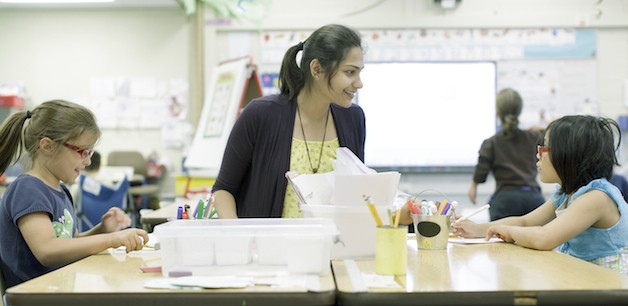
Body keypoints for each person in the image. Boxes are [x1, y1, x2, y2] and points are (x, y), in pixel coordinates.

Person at [212, 24, 366, 218]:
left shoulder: (353, 118)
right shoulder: (260, 114)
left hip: (333, 247)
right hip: (267, 246)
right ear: (316, 69)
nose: (359, 83)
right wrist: (239, 238)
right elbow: (223, 190)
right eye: (350, 72)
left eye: (360, 72)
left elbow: (356, 193)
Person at [452, 115, 628, 275]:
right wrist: (477, 229)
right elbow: (525, 221)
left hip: (613, 285)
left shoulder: (596, 197)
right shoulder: (565, 194)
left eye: (545, 148)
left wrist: (508, 232)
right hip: (586, 277)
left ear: (569, 155)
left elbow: (544, 238)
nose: (538, 154)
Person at [0, 100, 149, 287]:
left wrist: (101, 230)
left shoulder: (60, 191)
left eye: (90, 153)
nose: (87, 162)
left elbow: (69, 243)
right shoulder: (27, 189)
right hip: (33, 296)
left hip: (58, 288)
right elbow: (47, 250)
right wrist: (111, 239)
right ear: (47, 146)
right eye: (83, 152)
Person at [468, 88, 545, 221]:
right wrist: (543, 129)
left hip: (505, 202)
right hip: (534, 200)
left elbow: (481, 172)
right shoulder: (534, 137)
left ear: (497, 112)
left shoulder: (491, 143)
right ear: (519, 110)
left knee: (500, 241)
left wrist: (474, 186)